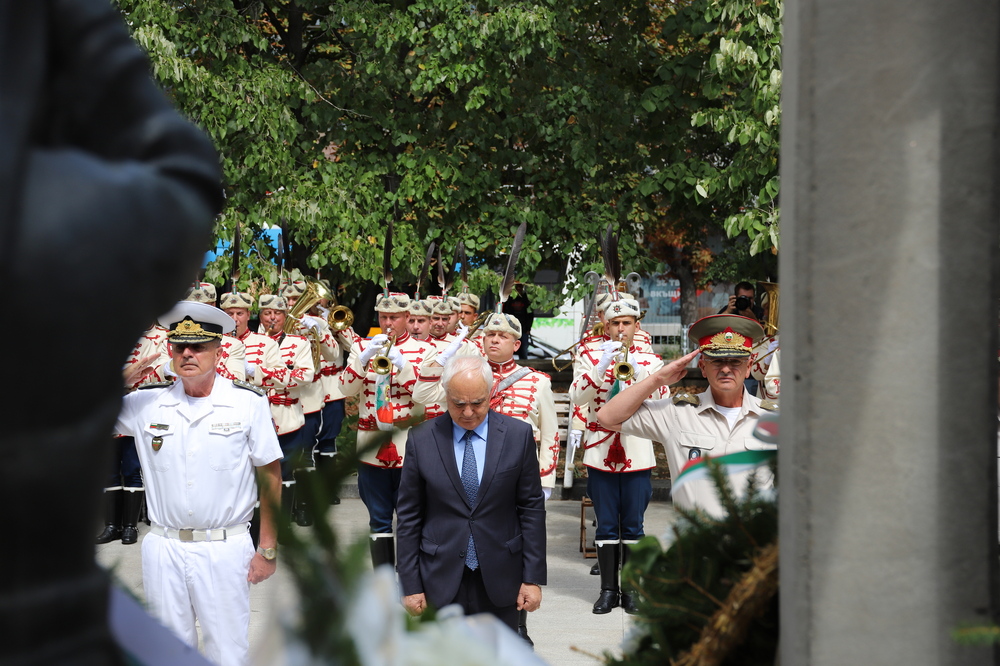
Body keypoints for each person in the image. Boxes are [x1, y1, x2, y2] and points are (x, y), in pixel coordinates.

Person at [116, 301, 282, 666]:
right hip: (164, 546)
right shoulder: (145, 404)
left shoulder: (246, 403)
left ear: (218, 350)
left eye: (198, 346)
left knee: (227, 651)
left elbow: (270, 476)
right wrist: (138, 368)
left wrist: (267, 548)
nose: (187, 354)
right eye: (179, 347)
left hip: (224, 547)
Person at [396, 356, 547, 635]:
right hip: (438, 577)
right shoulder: (422, 439)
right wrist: (410, 584)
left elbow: (531, 509)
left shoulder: (518, 435)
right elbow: (408, 516)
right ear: (445, 395)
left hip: (501, 576)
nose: (468, 413)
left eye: (477, 403)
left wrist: (533, 578)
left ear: (490, 394)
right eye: (458, 403)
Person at [597, 313, 775, 518]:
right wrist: (657, 379)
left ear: (748, 367)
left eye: (735, 361)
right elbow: (607, 417)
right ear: (702, 367)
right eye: (717, 361)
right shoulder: (677, 413)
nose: (726, 369)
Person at [569, 295, 665, 615]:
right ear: (605, 325)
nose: (621, 328)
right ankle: (608, 590)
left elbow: (663, 398)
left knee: (634, 526)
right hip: (601, 448)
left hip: (636, 448)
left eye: (627, 323)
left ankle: (633, 590)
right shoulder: (589, 354)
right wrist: (599, 368)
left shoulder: (651, 361)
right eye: (615, 323)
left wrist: (638, 372)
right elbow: (576, 396)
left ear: (637, 325)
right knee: (607, 524)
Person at [339, 292, 440, 568]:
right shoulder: (362, 347)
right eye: (383, 317)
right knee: (378, 518)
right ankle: (383, 581)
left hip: (410, 448)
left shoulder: (425, 351)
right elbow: (345, 389)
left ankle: (411, 581)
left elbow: (425, 396)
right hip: (372, 447)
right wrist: (363, 358)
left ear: (407, 317)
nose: (388, 323)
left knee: (412, 517)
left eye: (394, 317)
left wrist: (403, 364)